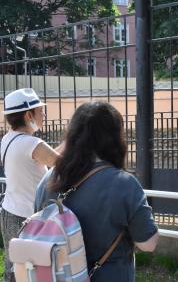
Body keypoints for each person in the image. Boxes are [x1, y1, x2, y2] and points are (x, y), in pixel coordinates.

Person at [35, 101, 159, 282]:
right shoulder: (124, 184)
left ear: (72, 136)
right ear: (115, 138)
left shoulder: (48, 179)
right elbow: (148, 243)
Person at [1, 88, 62, 282]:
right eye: (40, 110)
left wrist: (68, 142)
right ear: (28, 115)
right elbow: (62, 164)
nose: (43, 114)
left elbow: (48, 156)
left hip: (10, 212)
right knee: (34, 273)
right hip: (29, 219)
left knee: (15, 269)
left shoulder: (8, 138)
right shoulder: (31, 144)